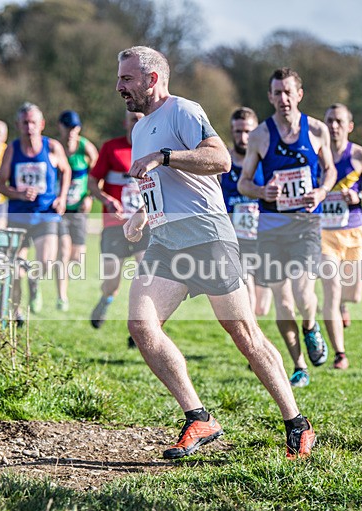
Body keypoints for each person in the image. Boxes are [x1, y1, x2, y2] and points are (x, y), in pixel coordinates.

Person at [117, 46, 315, 459]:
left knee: (244, 335)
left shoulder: (183, 111)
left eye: (127, 79)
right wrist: (140, 213)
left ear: (152, 79)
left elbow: (221, 159)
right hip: (166, 241)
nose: (120, 86)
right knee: (141, 325)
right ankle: (199, 417)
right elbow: (161, 183)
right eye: (120, 78)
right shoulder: (139, 128)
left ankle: (297, 422)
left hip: (208, 237)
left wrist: (165, 156)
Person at [238, 67, 336, 388]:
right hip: (270, 227)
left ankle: (310, 326)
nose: (283, 98)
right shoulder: (260, 136)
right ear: (270, 96)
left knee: (303, 292)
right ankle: (299, 365)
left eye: (288, 92)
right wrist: (261, 191)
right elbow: (244, 183)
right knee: (282, 302)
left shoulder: (317, 131)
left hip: (305, 223)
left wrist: (322, 191)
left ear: (299, 94)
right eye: (277, 93)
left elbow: (330, 171)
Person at [0, 103, 71, 319]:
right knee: (15, 270)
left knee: (46, 262)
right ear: (18, 125)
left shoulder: (52, 147)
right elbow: (0, 184)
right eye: (25, 123)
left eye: (33, 123)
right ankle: (17, 313)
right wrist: (18, 194)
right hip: (18, 214)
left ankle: (35, 283)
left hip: (46, 213)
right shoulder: (12, 149)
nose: (29, 127)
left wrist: (62, 197)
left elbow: (66, 171)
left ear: (42, 124)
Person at [320, 103, 362, 370]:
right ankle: (340, 353)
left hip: (354, 230)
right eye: (330, 121)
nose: (334, 126)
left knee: (353, 294)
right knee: (331, 291)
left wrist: (360, 196)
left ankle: (345, 305)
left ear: (349, 126)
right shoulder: (317, 154)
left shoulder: (360, 155)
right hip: (323, 234)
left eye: (339, 121)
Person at [88, 110, 150, 343]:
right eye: (132, 118)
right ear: (125, 122)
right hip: (115, 224)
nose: (136, 122)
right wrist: (106, 199)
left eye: (140, 118)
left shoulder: (153, 150)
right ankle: (106, 299)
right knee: (112, 280)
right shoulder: (111, 148)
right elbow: (92, 182)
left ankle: (140, 326)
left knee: (145, 275)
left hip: (144, 225)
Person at [220, 107, 273, 318]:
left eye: (248, 132)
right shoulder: (223, 164)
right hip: (235, 240)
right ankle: (250, 346)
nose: (243, 137)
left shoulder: (266, 162)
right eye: (238, 131)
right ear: (232, 132)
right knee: (247, 295)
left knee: (262, 308)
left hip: (263, 238)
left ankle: (252, 339)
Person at [56, 110, 99, 312]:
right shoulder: (55, 148)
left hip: (79, 207)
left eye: (75, 127)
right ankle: (61, 297)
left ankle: (63, 284)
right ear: (60, 127)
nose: (72, 131)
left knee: (77, 256)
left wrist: (90, 196)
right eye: (68, 127)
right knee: (63, 251)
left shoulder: (85, 147)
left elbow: (99, 172)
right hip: (60, 209)